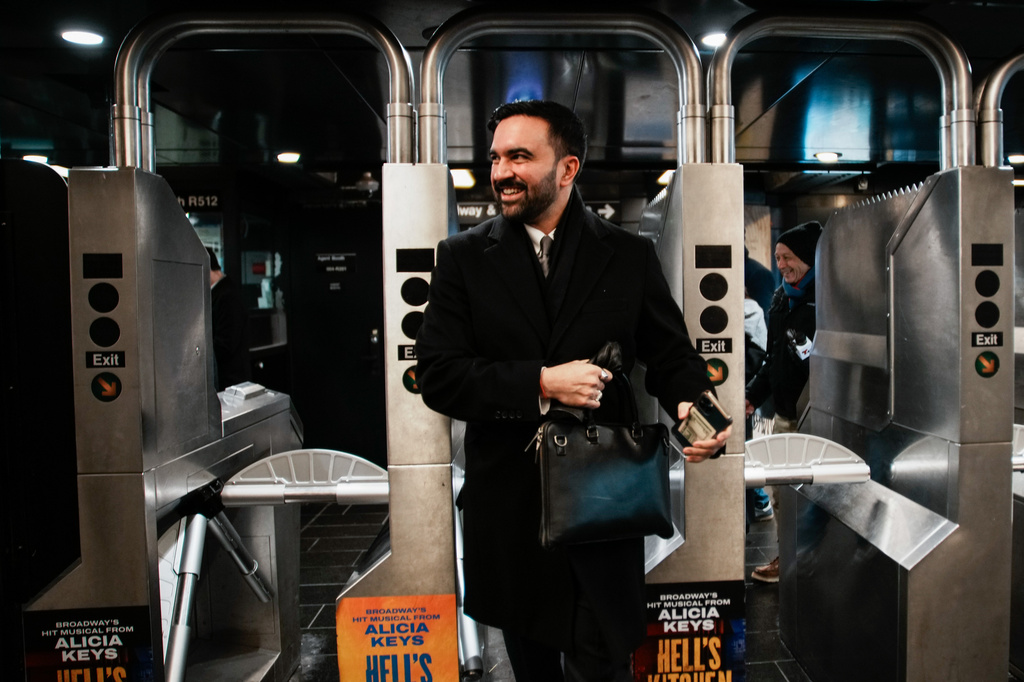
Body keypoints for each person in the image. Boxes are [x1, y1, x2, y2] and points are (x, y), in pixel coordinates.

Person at [415, 100, 731, 681]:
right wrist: (540, 381)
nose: (502, 172)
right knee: (533, 668)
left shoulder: (628, 255)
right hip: (513, 511)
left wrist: (694, 407)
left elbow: (669, 355)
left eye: (520, 157)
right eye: (496, 158)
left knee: (604, 664)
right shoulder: (463, 259)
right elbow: (439, 373)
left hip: (604, 501)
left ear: (567, 169)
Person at [744, 220, 822, 583]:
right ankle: (787, 558)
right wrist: (752, 395)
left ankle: (806, 560)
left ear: (807, 259)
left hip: (815, 414)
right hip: (783, 412)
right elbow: (773, 355)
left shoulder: (825, 298)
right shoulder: (780, 297)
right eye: (778, 258)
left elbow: (822, 359)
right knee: (780, 491)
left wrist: (801, 345)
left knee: (811, 494)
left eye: (788, 257)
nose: (782, 265)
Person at [207, 247, 252, 391]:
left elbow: (225, 344)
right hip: (229, 379)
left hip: (231, 381)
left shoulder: (226, 296)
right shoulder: (224, 292)